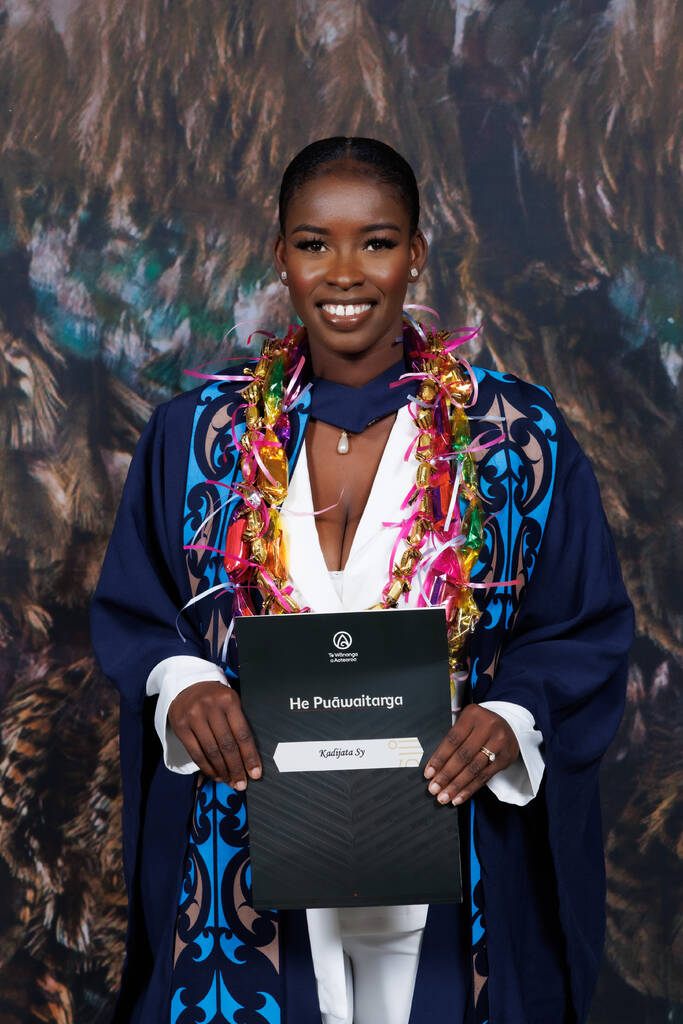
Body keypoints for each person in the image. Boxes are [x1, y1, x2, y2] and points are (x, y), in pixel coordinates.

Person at [90, 137, 634, 1024]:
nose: (344, 274)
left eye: (376, 242)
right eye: (313, 244)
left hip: (447, 854)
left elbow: (580, 624)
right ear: (280, 257)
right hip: (247, 852)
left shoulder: (516, 437)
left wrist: (512, 712)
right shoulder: (196, 437)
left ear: (416, 251)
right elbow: (136, 606)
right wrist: (181, 684)